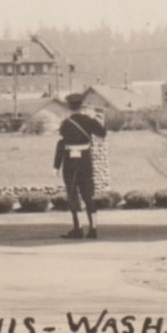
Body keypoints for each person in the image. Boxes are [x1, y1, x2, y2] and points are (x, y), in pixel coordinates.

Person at [53, 93, 107, 239]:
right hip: (85, 161)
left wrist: (56, 166)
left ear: (69, 106)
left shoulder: (66, 123)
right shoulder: (89, 121)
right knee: (88, 194)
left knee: (72, 195)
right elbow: (102, 133)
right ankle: (93, 228)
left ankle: (78, 228)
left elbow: (61, 143)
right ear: (82, 105)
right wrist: (99, 120)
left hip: (70, 162)